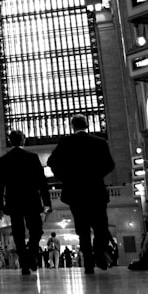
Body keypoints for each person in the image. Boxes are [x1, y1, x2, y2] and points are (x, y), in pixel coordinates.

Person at [47, 115, 115, 275]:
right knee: (100, 226)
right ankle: (100, 257)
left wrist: (66, 177)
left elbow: (51, 162)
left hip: (76, 192)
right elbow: (110, 165)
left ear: (72, 126)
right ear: (87, 125)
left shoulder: (66, 143)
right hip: (96, 190)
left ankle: (89, 263)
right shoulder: (99, 142)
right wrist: (97, 174)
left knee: (82, 227)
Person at [0, 130, 52, 275]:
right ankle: (31, 255)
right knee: (36, 230)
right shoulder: (32, 157)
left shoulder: (3, 160)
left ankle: (25, 263)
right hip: (31, 200)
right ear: (23, 140)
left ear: (10, 141)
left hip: (14, 201)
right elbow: (42, 182)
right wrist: (47, 202)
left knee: (18, 233)